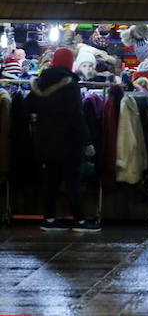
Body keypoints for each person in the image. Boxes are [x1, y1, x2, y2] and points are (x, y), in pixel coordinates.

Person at [26, 48, 99, 232]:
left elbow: (28, 107)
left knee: (50, 181)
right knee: (72, 182)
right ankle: (80, 221)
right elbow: (76, 115)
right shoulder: (69, 83)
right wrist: (87, 141)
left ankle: (49, 219)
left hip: (45, 141)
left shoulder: (39, 82)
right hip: (68, 141)